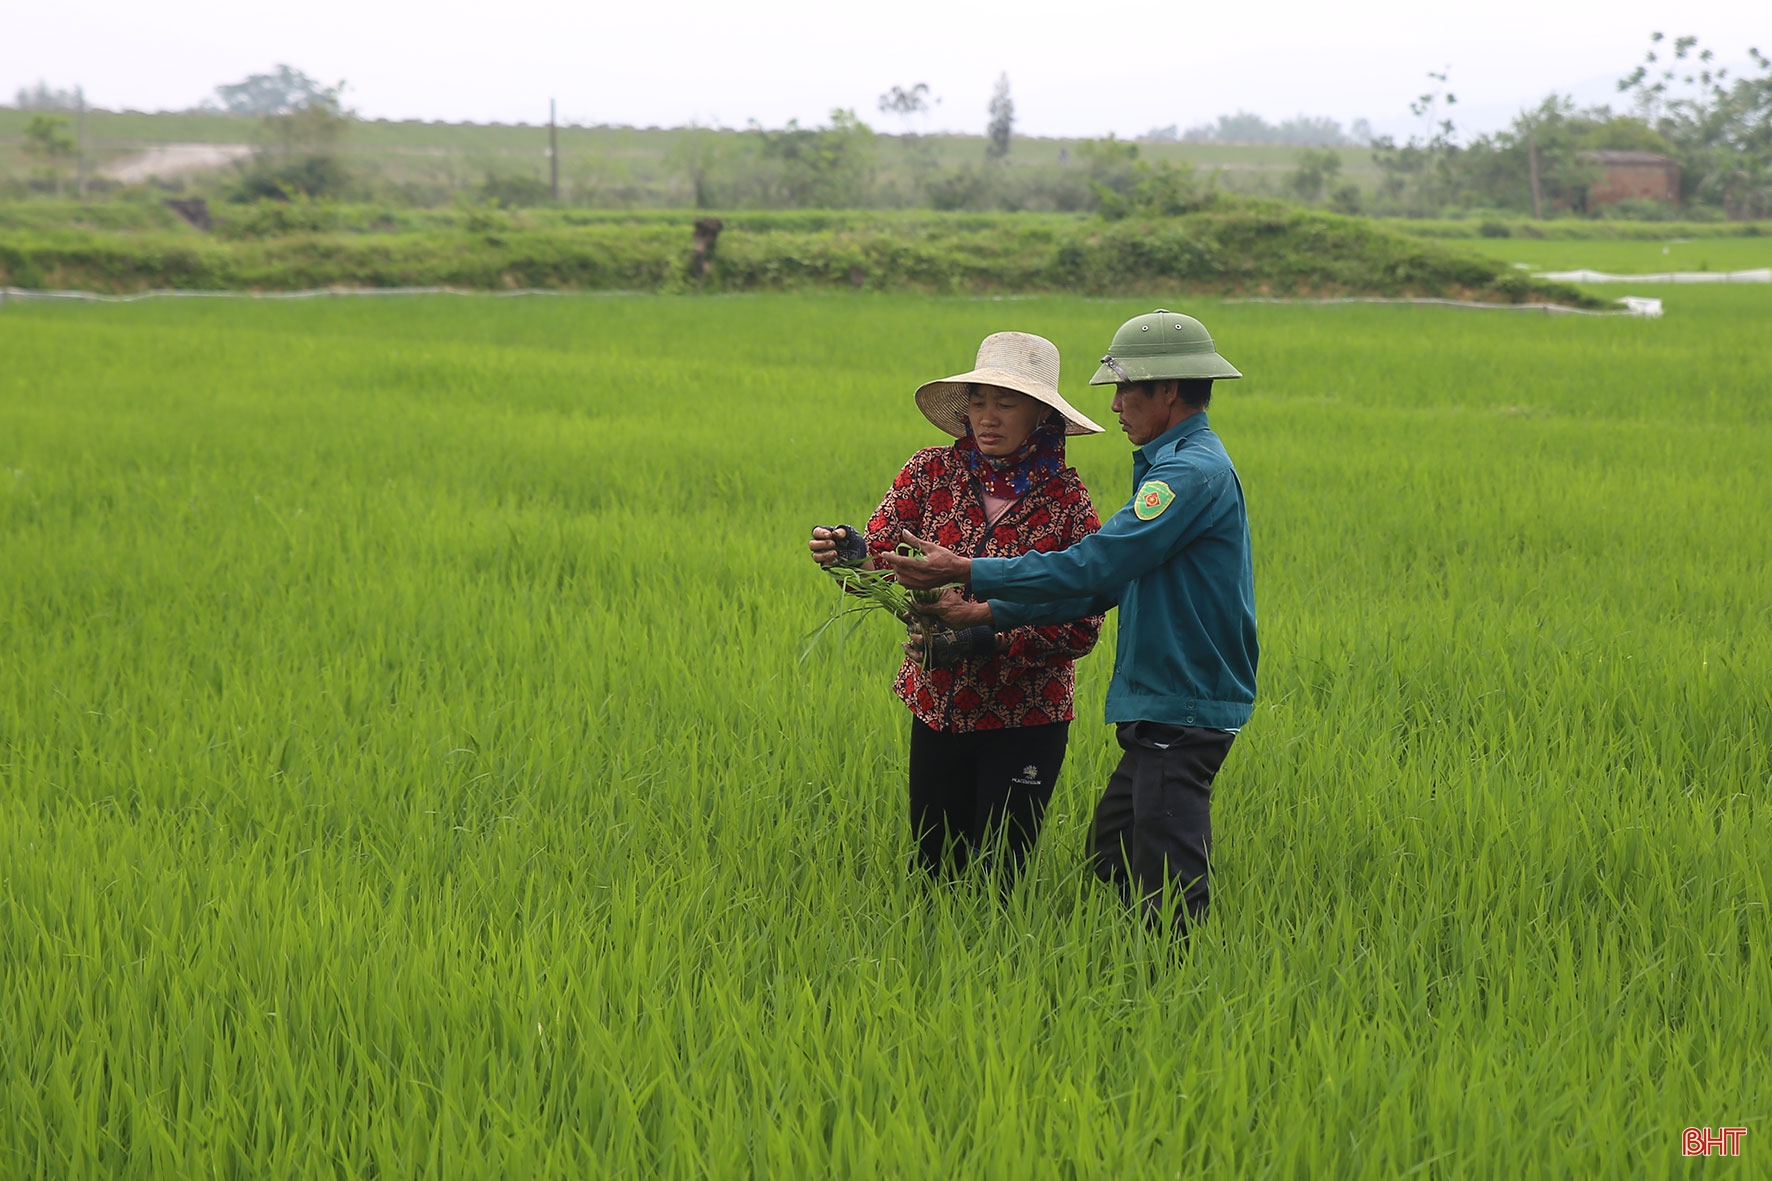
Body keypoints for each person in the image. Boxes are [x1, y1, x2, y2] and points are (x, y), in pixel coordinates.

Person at [883, 310, 1257, 934]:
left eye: (1123, 389)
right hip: (1159, 693)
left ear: (1166, 391)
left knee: (1166, 868)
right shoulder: (1173, 466)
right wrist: (986, 611)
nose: (1114, 407)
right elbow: (1104, 582)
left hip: (1182, 695)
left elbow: (1096, 564)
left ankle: (1176, 982)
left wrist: (972, 572)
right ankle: (1116, 963)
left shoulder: (1187, 475)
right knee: (1112, 854)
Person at [808, 331, 1106, 883]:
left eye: (1006, 402)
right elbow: (880, 557)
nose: (987, 417)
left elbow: (1081, 626)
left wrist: (978, 637)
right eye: (978, 401)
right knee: (932, 871)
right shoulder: (928, 474)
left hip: (1026, 713)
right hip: (938, 704)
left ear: (1041, 413)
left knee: (1000, 876)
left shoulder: (1068, 501)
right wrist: (848, 553)